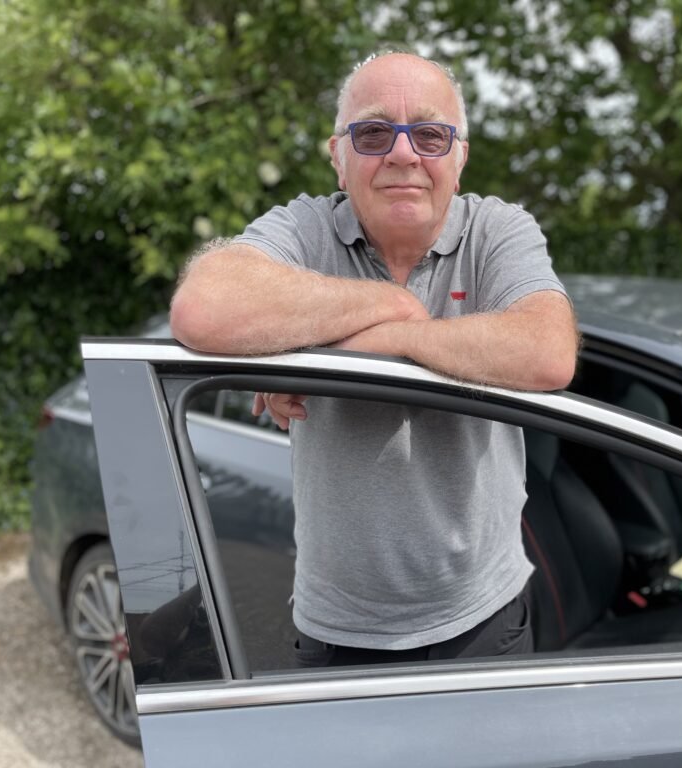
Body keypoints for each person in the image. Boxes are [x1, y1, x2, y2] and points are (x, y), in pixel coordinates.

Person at [170, 51, 578, 666]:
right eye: (373, 132)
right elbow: (202, 309)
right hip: (337, 630)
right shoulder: (306, 227)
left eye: (431, 135)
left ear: (460, 159)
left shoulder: (497, 229)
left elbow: (547, 352)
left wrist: (381, 340)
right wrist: (394, 303)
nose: (404, 153)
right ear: (338, 157)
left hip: (485, 618)